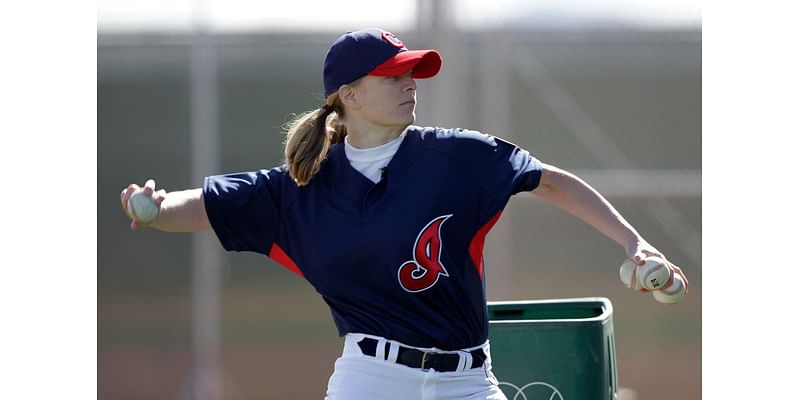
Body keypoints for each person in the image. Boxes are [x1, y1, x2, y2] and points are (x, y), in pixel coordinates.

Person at [120, 28, 688, 400]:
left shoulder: (458, 157)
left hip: (468, 382)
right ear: (349, 95)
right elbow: (205, 207)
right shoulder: (299, 189)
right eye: (392, 76)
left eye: (411, 72)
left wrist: (634, 243)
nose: (409, 83)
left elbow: (550, 180)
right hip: (371, 379)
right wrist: (155, 208)